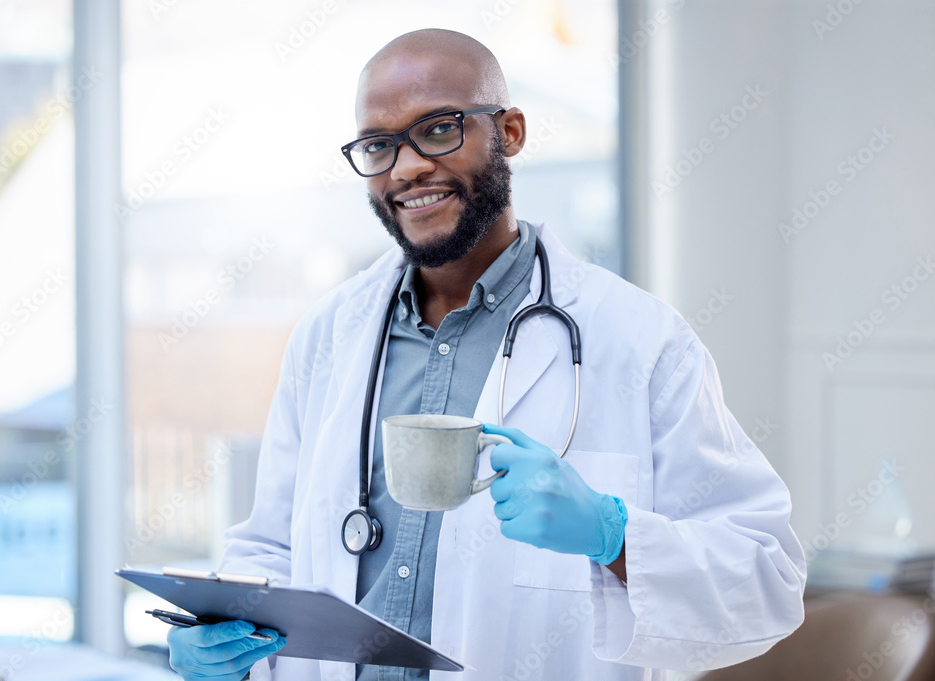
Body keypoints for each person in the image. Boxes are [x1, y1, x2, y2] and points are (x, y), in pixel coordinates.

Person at [167, 28, 806, 681]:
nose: (407, 167)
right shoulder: (329, 333)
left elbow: (767, 581)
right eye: (379, 145)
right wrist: (222, 632)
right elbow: (275, 542)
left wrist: (613, 537)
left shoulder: (641, 341)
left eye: (439, 129)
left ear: (513, 133)